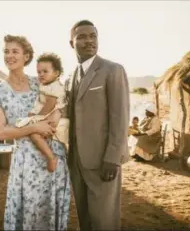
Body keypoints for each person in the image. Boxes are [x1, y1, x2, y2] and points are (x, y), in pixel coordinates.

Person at [0, 35, 71, 230]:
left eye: (15, 51)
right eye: (6, 51)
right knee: (29, 212)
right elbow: (2, 132)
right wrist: (34, 127)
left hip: (53, 156)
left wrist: (58, 115)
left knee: (50, 209)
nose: (9, 55)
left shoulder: (41, 82)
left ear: (26, 56)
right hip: (26, 162)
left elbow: (62, 101)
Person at [65, 20, 130, 230]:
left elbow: (120, 117)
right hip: (76, 160)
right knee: (85, 219)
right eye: (82, 37)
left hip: (103, 161)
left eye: (93, 36)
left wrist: (113, 158)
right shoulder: (70, 76)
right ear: (71, 42)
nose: (89, 41)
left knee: (104, 221)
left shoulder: (112, 70)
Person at [15, 52, 69, 172]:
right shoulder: (46, 85)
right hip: (49, 115)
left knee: (34, 133)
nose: (41, 75)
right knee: (32, 130)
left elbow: (50, 105)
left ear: (56, 73)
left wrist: (36, 117)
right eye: (39, 72)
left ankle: (51, 157)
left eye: (45, 72)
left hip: (53, 117)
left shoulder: (54, 87)